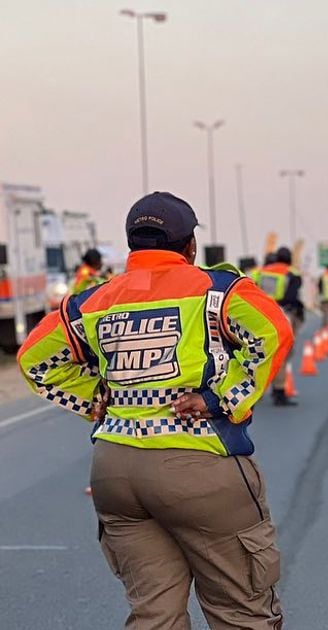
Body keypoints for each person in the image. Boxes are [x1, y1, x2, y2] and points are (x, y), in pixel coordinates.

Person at [17, 192, 292, 630]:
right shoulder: (217, 291)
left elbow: (34, 359)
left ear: (132, 246)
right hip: (199, 462)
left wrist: (95, 398)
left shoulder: (91, 302)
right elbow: (272, 334)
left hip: (116, 472)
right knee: (242, 613)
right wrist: (223, 399)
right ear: (189, 247)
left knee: (154, 616)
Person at [258, 247, 305, 406]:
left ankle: (257, 390)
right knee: (282, 354)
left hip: (262, 314)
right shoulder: (292, 273)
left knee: (263, 353)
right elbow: (292, 296)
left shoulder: (262, 272)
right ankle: (279, 392)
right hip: (282, 314)